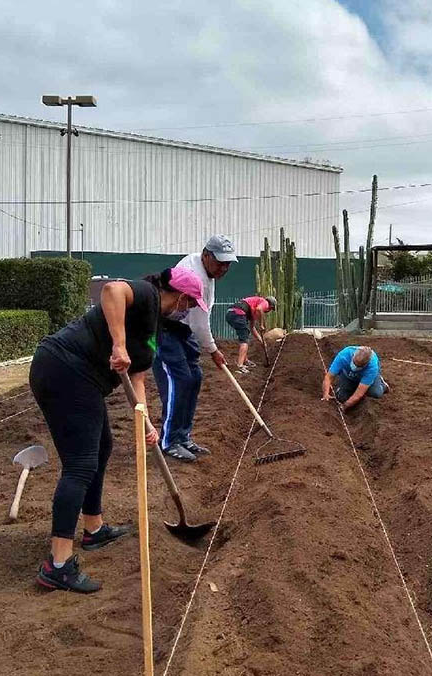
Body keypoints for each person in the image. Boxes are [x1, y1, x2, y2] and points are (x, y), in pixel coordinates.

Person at [30, 267, 208, 593]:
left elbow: (138, 379)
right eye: (190, 305)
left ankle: (94, 529)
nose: (188, 312)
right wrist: (119, 343)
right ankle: (58, 565)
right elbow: (111, 290)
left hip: (83, 379)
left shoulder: (154, 325)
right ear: (181, 297)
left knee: (101, 448)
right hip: (64, 368)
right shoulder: (146, 294)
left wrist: (146, 424)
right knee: (80, 464)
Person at [152, 235, 237, 462]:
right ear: (206, 255)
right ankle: (169, 441)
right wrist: (213, 350)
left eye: (228, 263)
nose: (224, 268)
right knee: (178, 380)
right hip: (165, 329)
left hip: (182, 330)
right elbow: (201, 323)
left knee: (194, 377)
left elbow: (199, 320)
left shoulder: (207, 271)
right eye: (220, 262)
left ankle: (183, 436)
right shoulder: (195, 275)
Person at [321, 345, 389, 410]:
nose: (355, 367)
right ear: (353, 356)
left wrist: (345, 406)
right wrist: (326, 394)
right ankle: (353, 386)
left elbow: (359, 394)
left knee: (376, 393)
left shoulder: (372, 367)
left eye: (359, 366)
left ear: (366, 364)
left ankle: (382, 385)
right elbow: (328, 377)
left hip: (365, 376)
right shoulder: (344, 355)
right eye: (355, 363)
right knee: (341, 397)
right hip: (348, 374)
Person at [225, 295, 278, 373]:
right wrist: (261, 324)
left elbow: (252, 328)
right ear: (270, 305)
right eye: (270, 309)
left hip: (230, 313)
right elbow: (259, 309)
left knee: (244, 335)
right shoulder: (265, 302)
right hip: (238, 313)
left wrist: (262, 342)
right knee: (244, 341)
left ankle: (245, 360)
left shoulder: (253, 307)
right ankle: (240, 366)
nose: (268, 311)